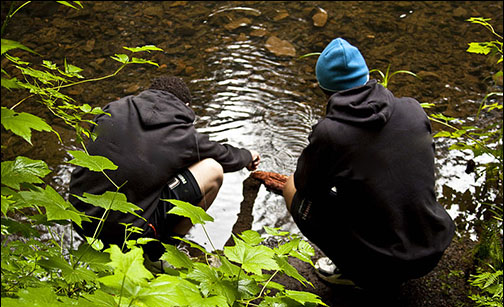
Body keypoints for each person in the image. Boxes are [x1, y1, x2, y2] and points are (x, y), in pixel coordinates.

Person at [282, 38, 455, 290]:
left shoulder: (330, 132)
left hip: (383, 264)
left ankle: (351, 269)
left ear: (324, 90)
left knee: (290, 187)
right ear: (367, 76)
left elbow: (308, 189)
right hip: (431, 249)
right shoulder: (413, 109)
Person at [69, 76, 260, 268]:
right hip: (125, 235)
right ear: (185, 105)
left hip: (81, 218)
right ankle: (160, 253)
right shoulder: (182, 134)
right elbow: (225, 156)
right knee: (213, 170)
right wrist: (248, 155)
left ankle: (92, 246)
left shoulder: (112, 110)